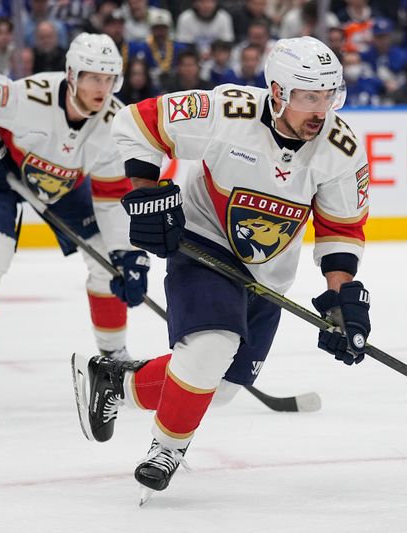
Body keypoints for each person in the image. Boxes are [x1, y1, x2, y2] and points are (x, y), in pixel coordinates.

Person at [73, 36, 372, 503]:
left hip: (268, 273)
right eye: (309, 96)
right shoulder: (226, 111)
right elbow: (135, 124)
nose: (322, 109)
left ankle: (117, 382)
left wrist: (341, 299)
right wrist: (147, 191)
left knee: (221, 388)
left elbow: (340, 229)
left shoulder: (341, 147)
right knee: (211, 347)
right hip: (203, 242)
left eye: (330, 95)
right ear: (277, 93)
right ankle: (165, 450)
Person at [0, 33, 149, 409]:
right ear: (71, 74)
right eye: (92, 77)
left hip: (61, 187)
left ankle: (114, 359)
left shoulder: (116, 126)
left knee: (106, 263)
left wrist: (126, 255)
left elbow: (111, 197)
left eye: (109, 78)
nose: (101, 88)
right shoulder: (27, 97)